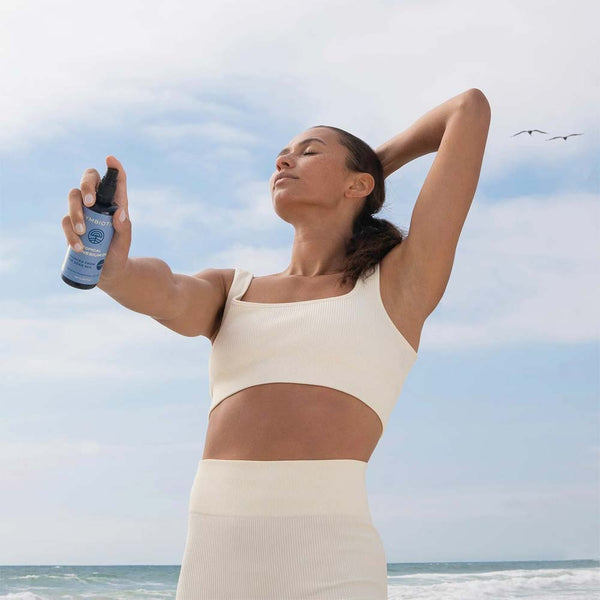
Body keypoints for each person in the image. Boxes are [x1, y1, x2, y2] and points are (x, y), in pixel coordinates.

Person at [62, 88, 491, 599]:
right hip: (212, 567)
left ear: (359, 182)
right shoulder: (233, 291)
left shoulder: (398, 285)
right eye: (283, 155)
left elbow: (468, 109)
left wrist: (373, 172)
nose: (285, 159)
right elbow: (165, 290)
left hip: (332, 566)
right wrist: (114, 271)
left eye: (310, 151)